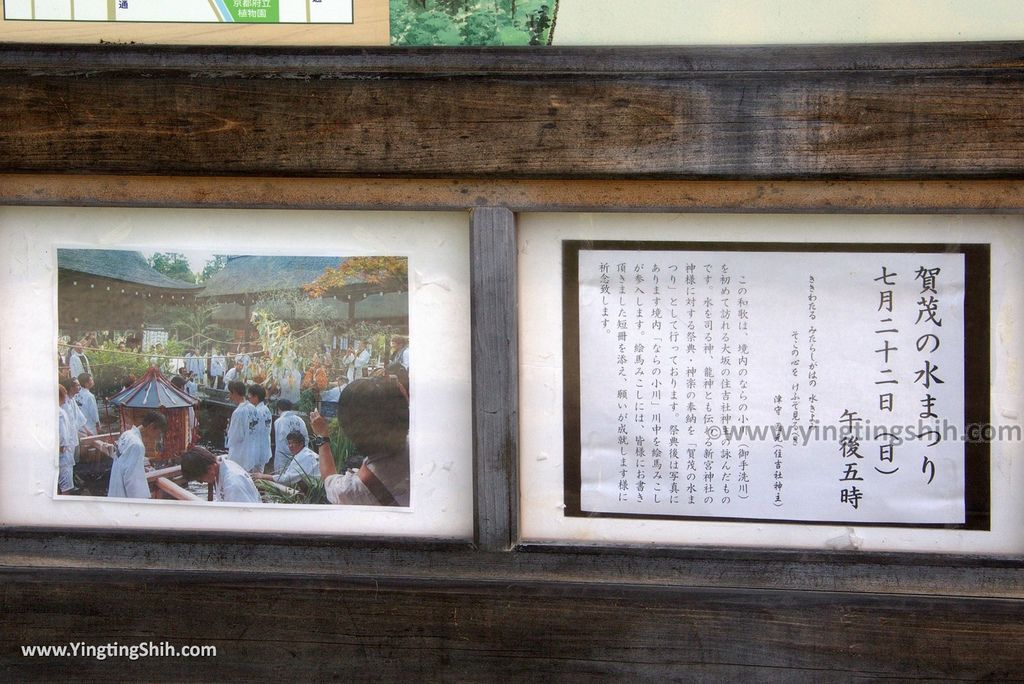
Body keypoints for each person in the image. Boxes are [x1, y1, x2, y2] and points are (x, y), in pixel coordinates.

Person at [310, 376, 410, 507]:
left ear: (347, 427)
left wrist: (322, 435)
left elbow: (329, 480)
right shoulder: (421, 449)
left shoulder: (353, 489)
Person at [103, 410, 167, 499]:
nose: (157, 437)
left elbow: (124, 461)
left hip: (115, 488)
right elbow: (132, 480)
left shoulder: (127, 434)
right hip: (124, 498)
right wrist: (142, 501)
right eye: (158, 433)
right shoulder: (137, 445)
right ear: (151, 427)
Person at [180, 446, 260, 503]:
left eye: (200, 479)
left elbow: (242, 515)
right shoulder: (221, 468)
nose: (202, 482)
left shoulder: (233, 483)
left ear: (210, 468)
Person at [252, 430, 320, 487]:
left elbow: (287, 479)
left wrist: (263, 476)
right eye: (289, 443)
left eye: (293, 443)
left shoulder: (303, 456)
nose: (290, 446)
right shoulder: (305, 452)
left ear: (301, 443)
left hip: (319, 490)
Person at [225, 380, 260, 472]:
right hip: (251, 452)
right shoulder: (253, 408)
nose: (230, 396)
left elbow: (235, 437)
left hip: (239, 455)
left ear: (235, 392)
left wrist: (228, 430)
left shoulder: (238, 412)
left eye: (230, 393)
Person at [272, 399, 308, 474]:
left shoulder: (279, 421)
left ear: (279, 408)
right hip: (299, 455)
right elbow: (306, 438)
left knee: (282, 479)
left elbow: (281, 442)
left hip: (283, 458)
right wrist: (300, 452)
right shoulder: (300, 420)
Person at [247, 383, 273, 473]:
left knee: (253, 477)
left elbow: (251, 431)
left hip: (256, 449)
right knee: (259, 475)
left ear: (256, 397)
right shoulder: (267, 410)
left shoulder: (256, 411)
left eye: (250, 395)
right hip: (264, 447)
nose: (249, 398)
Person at [57, 384, 78, 494]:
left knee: (60, 482)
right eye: (64, 393)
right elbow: (62, 433)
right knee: (65, 485)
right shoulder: (59, 412)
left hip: (60, 451)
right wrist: (63, 447)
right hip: (63, 452)